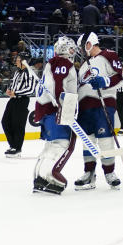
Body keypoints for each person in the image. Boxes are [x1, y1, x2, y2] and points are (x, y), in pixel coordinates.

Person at [74, 32, 123, 190]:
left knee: (105, 139)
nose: (81, 50)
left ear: (90, 43)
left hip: (102, 103)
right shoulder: (83, 66)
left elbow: (119, 77)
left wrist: (105, 81)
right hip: (84, 107)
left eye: (82, 47)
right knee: (87, 141)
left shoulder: (108, 55)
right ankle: (89, 173)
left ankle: (110, 173)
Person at [32, 36, 79, 195]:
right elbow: (59, 85)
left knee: (50, 145)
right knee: (61, 143)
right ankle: (51, 175)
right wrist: (63, 107)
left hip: (46, 110)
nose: (73, 51)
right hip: (57, 110)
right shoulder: (64, 63)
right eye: (71, 48)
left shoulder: (51, 63)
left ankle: (39, 177)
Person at [3, 53, 38, 157]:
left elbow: (30, 89)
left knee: (18, 125)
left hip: (22, 101)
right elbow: (13, 83)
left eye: (18, 58)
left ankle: (17, 148)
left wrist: (17, 93)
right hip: (13, 100)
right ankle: (13, 145)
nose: (16, 60)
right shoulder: (17, 72)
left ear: (24, 61)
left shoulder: (30, 73)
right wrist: (9, 90)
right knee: (5, 121)